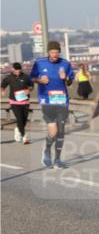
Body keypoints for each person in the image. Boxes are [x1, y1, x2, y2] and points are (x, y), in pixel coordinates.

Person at [30, 41, 74, 169]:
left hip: (62, 101)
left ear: (59, 52)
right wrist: (40, 80)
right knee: (53, 132)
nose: (55, 54)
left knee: (61, 132)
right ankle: (47, 150)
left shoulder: (65, 64)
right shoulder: (39, 63)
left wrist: (66, 78)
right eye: (52, 52)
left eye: (57, 52)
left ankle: (57, 160)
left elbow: (70, 81)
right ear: (48, 52)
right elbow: (31, 78)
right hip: (47, 100)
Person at [2, 62, 32, 144]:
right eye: (16, 69)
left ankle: (18, 129)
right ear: (13, 69)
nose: (18, 71)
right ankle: (24, 137)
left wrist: (28, 90)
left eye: (19, 69)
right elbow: (2, 86)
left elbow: (31, 86)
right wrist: (2, 91)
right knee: (19, 118)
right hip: (14, 101)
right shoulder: (9, 77)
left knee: (24, 119)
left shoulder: (26, 77)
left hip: (25, 101)